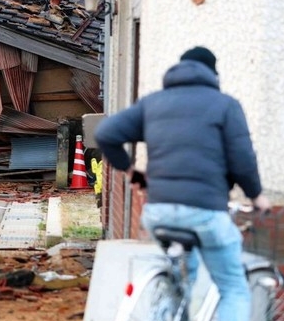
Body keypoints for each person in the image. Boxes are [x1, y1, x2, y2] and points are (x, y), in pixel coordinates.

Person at [94, 46, 270, 321]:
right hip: (205, 212)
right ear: (213, 73)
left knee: (183, 280)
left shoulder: (153, 103)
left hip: (158, 212)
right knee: (233, 287)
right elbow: (243, 160)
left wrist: (131, 171)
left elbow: (105, 133)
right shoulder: (225, 105)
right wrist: (256, 195)